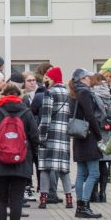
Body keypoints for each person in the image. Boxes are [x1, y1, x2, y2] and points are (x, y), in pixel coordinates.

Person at [0, 82, 39, 220]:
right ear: (19, 96)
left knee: (0, 199)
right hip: (21, 162)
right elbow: (35, 137)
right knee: (16, 199)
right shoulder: (27, 113)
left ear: (3, 95)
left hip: (0, 162)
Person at [68, 68, 104, 219]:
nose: (91, 79)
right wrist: (99, 135)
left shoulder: (73, 93)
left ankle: (80, 206)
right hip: (88, 136)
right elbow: (90, 115)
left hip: (78, 136)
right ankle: (84, 205)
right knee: (94, 172)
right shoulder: (85, 93)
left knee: (82, 172)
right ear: (82, 79)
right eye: (88, 77)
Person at [37, 66, 72, 209]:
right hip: (63, 136)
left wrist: (41, 136)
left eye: (48, 78)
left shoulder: (49, 93)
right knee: (63, 169)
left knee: (45, 168)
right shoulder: (67, 93)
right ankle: (69, 199)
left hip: (50, 135)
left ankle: (43, 199)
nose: (47, 81)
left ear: (53, 79)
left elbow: (46, 118)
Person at [91, 72, 111, 203]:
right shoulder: (108, 98)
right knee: (104, 164)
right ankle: (103, 193)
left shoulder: (94, 97)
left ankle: (94, 194)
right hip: (106, 134)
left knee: (95, 164)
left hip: (96, 134)